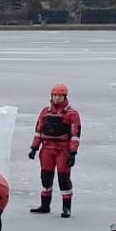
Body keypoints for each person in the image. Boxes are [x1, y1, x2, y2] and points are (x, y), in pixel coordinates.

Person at [27, 83, 81, 217]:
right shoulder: (45, 112)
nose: (57, 98)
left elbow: (75, 134)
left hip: (63, 150)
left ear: (65, 97)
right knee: (46, 177)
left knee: (63, 178)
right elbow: (38, 131)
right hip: (46, 149)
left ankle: (66, 208)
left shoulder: (72, 114)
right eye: (55, 95)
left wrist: (73, 153)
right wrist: (34, 148)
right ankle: (45, 205)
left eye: (60, 96)